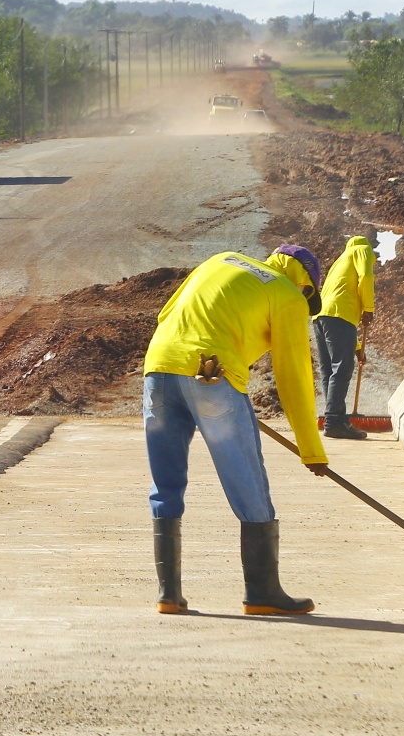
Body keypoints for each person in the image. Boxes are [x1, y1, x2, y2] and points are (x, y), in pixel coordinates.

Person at [141, 244, 330, 618]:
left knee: (166, 482)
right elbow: (294, 375)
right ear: (307, 285)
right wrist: (311, 450)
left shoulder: (221, 259)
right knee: (247, 480)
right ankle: (262, 592)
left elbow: (167, 313)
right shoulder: (289, 294)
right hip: (214, 375)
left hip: (158, 367)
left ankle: (169, 595)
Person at [314, 233, 377, 440]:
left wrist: (357, 347)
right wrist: (368, 308)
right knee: (342, 368)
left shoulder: (340, 262)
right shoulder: (362, 249)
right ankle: (333, 421)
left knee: (329, 370)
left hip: (321, 317)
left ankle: (336, 419)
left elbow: (339, 301)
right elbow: (366, 277)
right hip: (339, 317)